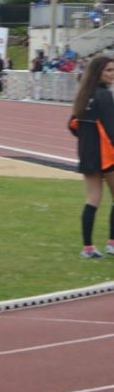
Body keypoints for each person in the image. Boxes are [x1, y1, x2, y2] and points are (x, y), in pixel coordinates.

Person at [68, 54, 114, 259]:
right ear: (98, 73)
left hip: (87, 155)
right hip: (106, 155)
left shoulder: (83, 94)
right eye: (109, 70)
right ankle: (112, 243)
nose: (113, 74)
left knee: (93, 199)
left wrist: (87, 140)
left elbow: (72, 125)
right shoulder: (104, 96)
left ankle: (87, 247)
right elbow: (111, 129)